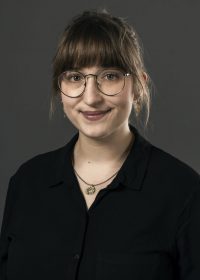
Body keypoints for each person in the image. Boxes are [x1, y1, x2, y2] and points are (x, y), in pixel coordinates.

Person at [0, 9, 199, 280]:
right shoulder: (27, 183)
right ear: (60, 89)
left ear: (139, 86)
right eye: (74, 77)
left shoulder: (183, 191)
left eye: (110, 75)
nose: (91, 97)